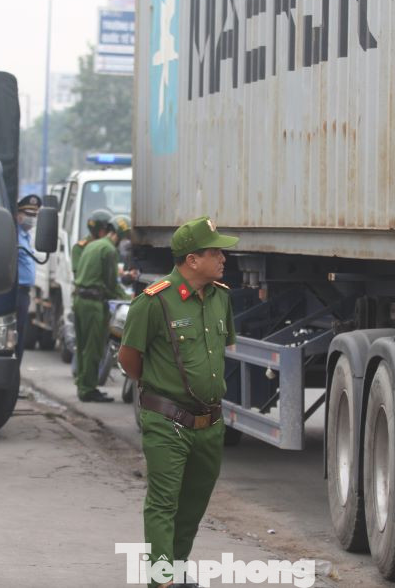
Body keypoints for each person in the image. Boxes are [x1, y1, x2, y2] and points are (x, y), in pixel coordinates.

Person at [118, 216, 239, 588]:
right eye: (215, 252)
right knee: (164, 503)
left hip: (209, 423)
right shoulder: (153, 302)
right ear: (191, 260)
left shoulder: (221, 297)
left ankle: (176, 569)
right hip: (166, 420)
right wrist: (160, 386)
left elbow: (224, 349)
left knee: (193, 505)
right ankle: (162, 580)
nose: (223, 258)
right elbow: (128, 358)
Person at [72, 215, 132, 402]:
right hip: (93, 305)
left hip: (80, 301)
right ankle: (88, 390)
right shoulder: (109, 250)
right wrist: (128, 298)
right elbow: (110, 284)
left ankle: (82, 385)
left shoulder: (92, 245)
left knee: (82, 345)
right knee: (94, 347)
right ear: (120, 235)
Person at [14, 194, 41, 361]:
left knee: (21, 336)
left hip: (24, 293)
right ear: (18, 214)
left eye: (34, 215)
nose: (31, 219)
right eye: (28, 214)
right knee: (16, 337)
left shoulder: (25, 236)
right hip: (15, 291)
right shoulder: (14, 235)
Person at [72, 209, 113, 275]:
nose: (109, 234)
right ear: (99, 231)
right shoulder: (80, 248)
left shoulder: (109, 246)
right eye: (106, 231)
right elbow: (79, 274)